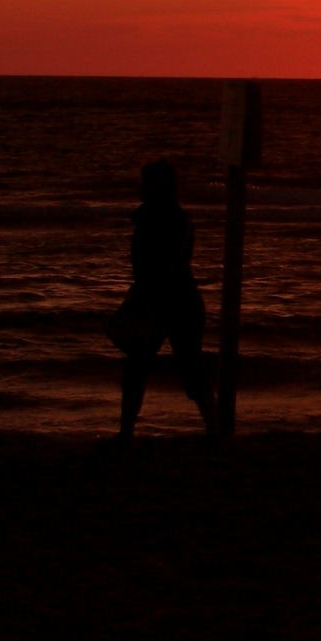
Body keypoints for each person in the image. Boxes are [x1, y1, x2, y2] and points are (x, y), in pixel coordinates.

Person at [113, 158, 216, 439]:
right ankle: (213, 427)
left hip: (170, 300)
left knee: (178, 368)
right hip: (171, 298)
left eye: (145, 182)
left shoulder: (165, 219)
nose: (140, 187)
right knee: (154, 367)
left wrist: (145, 297)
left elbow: (162, 266)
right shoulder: (165, 217)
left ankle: (213, 427)